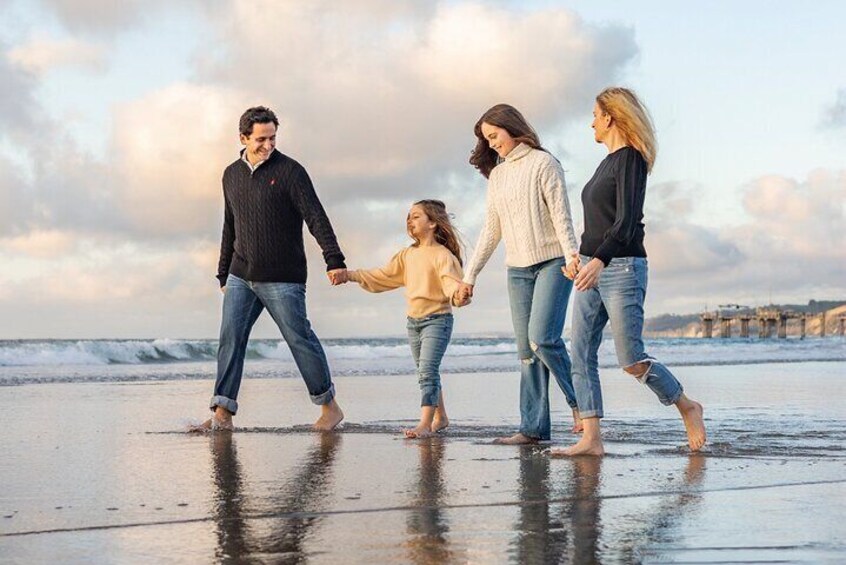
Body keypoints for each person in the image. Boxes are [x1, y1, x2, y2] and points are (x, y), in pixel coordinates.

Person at [551, 87, 706, 456]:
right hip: (591, 266)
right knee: (581, 353)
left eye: (594, 115)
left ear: (610, 116)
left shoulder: (631, 160)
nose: (591, 123)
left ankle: (687, 406)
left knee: (630, 359)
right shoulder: (603, 164)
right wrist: (577, 259)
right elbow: (597, 225)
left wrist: (598, 260)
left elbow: (626, 224)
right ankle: (591, 438)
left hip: (621, 267)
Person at [196, 106, 346, 432]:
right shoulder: (231, 174)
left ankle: (329, 407)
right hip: (240, 274)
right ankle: (222, 413)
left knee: (300, 339)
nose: (268, 145)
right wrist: (223, 272)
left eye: (273, 137)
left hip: (283, 276)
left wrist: (333, 259)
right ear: (243, 138)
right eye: (261, 139)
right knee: (230, 340)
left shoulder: (291, 171)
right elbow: (229, 224)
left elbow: (315, 217)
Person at [458, 104, 581, 445]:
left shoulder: (544, 163)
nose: (492, 144)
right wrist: (470, 276)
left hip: (553, 263)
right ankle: (533, 429)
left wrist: (572, 255)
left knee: (542, 338)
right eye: (487, 140)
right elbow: (491, 230)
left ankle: (580, 405)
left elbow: (561, 215)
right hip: (517, 270)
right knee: (527, 352)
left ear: (511, 128)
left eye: (494, 136)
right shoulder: (497, 176)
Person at [339, 200, 467, 438]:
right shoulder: (407, 255)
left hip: (437, 320)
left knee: (427, 371)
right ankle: (441, 417)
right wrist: (350, 275)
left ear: (433, 223)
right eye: (409, 216)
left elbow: (452, 286)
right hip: (414, 322)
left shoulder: (443, 256)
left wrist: (459, 295)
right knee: (426, 372)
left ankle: (424, 424)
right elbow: (383, 276)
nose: (410, 220)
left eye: (416, 216)